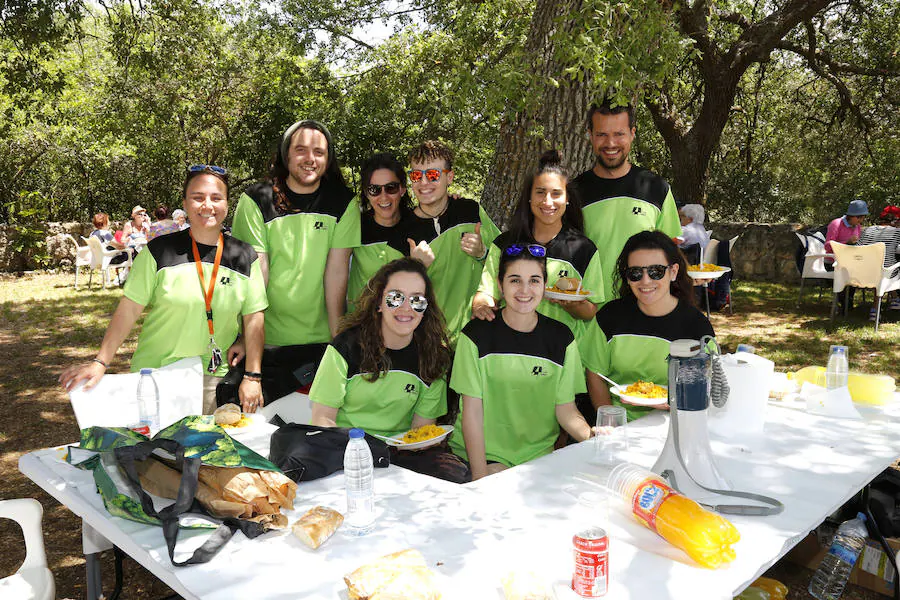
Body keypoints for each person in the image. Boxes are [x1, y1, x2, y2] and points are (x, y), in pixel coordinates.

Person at [59, 165, 267, 415]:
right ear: (185, 203)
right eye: (198, 197)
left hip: (212, 379)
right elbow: (129, 309)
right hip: (157, 376)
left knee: (208, 451)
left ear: (227, 203)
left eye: (216, 198)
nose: (207, 205)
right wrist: (100, 361)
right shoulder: (158, 251)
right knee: (155, 452)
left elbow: (254, 317)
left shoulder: (244, 256)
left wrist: (253, 376)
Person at [309, 258, 468, 483]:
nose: (406, 307)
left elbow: (420, 432)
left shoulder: (433, 358)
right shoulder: (346, 347)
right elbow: (323, 420)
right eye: (395, 297)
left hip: (401, 456)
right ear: (379, 303)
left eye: (417, 300)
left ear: (426, 308)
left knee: (455, 474)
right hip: (346, 454)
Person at [231, 120, 355, 398]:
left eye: (319, 152)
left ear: (329, 158)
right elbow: (256, 276)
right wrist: (247, 340)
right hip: (268, 341)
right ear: (286, 154)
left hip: (320, 341)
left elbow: (336, 274)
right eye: (301, 150)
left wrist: (338, 344)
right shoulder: (255, 200)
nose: (310, 159)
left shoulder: (344, 203)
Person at [448, 245, 594, 481]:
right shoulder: (476, 335)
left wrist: (595, 440)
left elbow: (565, 409)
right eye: (515, 280)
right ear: (500, 285)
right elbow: (472, 412)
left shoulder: (561, 338)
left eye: (534, 280)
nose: (525, 290)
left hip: (538, 461)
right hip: (480, 459)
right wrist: (481, 474)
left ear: (545, 285)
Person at [580, 231, 714, 423]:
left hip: (676, 424)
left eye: (656, 271)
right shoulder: (609, 317)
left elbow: (706, 389)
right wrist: (614, 425)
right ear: (627, 277)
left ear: (673, 272)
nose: (645, 281)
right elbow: (595, 375)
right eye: (635, 273)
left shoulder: (696, 326)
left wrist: (673, 404)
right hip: (621, 426)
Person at [472, 149, 603, 337]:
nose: (547, 202)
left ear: (567, 199)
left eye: (556, 194)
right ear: (529, 197)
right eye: (540, 192)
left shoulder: (584, 249)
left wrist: (573, 304)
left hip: (561, 353)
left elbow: (590, 311)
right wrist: (481, 306)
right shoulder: (505, 244)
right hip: (511, 345)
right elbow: (486, 292)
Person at [572, 101, 682, 303]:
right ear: (590, 135)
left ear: (632, 133)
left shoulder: (657, 189)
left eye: (619, 134)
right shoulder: (574, 193)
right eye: (602, 134)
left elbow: (671, 253)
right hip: (590, 314)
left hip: (643, 312)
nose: (610, 143)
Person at [403, 140, 500, 346]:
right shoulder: (404, 228)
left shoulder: (471, 212)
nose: (423, 182)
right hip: (425, 340)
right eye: (416, 175)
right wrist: (414, 268)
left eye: (432, 175)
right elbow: (393, 292)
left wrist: (483, 252)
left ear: (449, 177)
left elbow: (506, 259)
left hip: (475, 333)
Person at [342, 153, 434, 312]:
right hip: (361, 325)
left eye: (391, 188)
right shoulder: (355, 226)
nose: (383, 197)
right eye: (374, 189)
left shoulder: (418, 225)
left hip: (404, 323)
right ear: (366, 192)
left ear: (403, 189)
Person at [858, 205, 900, 318]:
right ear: (895, 221)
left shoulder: (867, 230)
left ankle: (892, 301)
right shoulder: (897, 232)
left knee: (878, 267)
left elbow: (858, 248)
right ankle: (894, 300)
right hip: (885, 274)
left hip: (862, 273)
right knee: (886, 269)